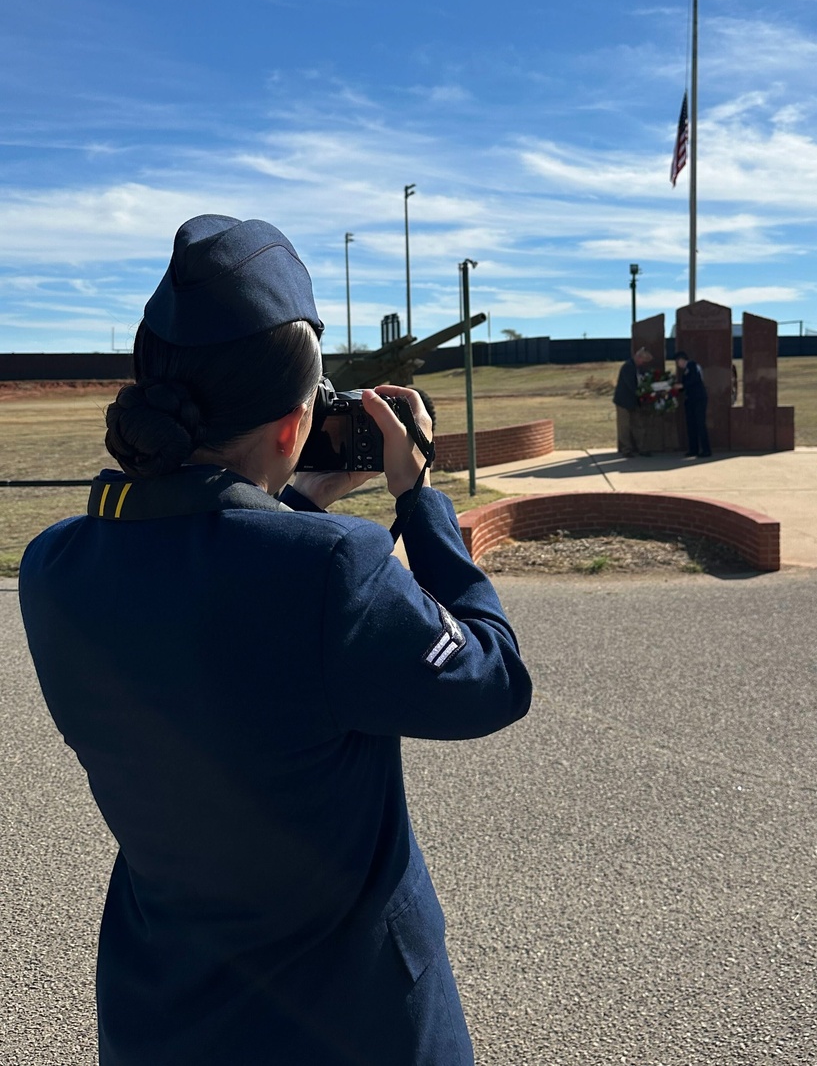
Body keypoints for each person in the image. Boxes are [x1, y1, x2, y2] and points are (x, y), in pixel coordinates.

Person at [18, 214, 532, 1066]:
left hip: (164, 1021)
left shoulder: (54, 570)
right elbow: (495, 675)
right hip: (354, 1028)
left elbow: (203, 581)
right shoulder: (333, 572)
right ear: (294, 429)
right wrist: (419, 499)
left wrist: (287, 505)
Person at [612, 346, 652, 457]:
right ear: (638, 357)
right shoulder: (628, 367)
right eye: (643, 360)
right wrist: (642, 393)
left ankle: (642, 448)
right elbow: (631, 385)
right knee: (624, 426)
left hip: (635, 401)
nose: (643, 363)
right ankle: (626, 449)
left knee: (638, 425)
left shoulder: (638, 368)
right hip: (624, 401)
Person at [675, 349, 712, 459]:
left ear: (682, 360)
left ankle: (706, 450)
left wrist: (681, 386)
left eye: (678, 361)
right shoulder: (686, 370)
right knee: (691, 425)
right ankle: (693, 449)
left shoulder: (692, 365)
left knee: (700, 424)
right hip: (691, 400)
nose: (678, 364)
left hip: (699, 399)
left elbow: (695, 380)